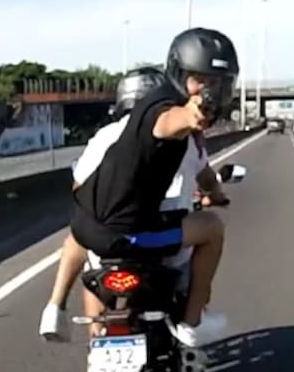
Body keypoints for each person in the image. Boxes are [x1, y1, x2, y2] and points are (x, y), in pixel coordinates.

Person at [41, 30, 237, 347]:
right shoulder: (176, 130)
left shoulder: (106, 135)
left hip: (94, 230)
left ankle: (60, 313)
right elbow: (171, 128)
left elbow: (79, 186)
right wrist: (191, 116)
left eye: (213, 83)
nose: (206, 90)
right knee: (212, 228)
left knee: (81, 238)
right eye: (199, 80)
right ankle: (192, 322)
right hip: (141, 235)